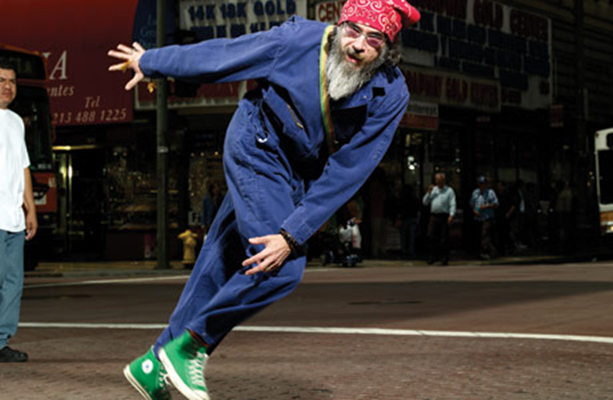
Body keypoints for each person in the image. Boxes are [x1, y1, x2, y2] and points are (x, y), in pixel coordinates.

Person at [108, 2, 420, 399]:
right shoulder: (297, 40)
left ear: (388, 48)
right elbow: (224, 56)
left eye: (373, 39)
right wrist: (152, 61)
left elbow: (350, 168)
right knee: (281, 265)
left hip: (296, 175)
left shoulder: (391, 92)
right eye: (353, 31)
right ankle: (190, 346)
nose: (358, 45)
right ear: (340, 25)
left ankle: (154, 363)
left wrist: (295, 228)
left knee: (222, 260)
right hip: (257, 144)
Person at [0, 62, 38, 362]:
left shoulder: (15, 122)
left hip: (13, 219)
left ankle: (1, 341)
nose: (7, 86)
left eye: (12, 81)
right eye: (1, 80)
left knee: (13, 283)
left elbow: (24, 167)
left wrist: (31, 209)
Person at [422, 173, 456, 265]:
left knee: (444, 238)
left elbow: (452, 203)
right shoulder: (434, 190)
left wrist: (451, 215)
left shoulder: (449, 191)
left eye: (439, 180)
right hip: (434, 216)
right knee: (431, 236)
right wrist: (428, 192)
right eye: (436, 180)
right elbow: (425, 202)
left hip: (444, 216)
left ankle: (444, 258)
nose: (438, 182)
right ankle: (432, 257)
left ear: (443, 181)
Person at [470, 175, 498, 260]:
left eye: (483, 183)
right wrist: (474, 210)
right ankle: (482, 251)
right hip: (478, 217)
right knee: (478, 236)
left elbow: (495, 204)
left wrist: (486, 206)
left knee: (484, 234)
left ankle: (487, 251)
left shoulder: (490, 192)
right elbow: (472, 203)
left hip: (487, 217)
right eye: (480, 183)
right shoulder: (475, 192)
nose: (481, 185)